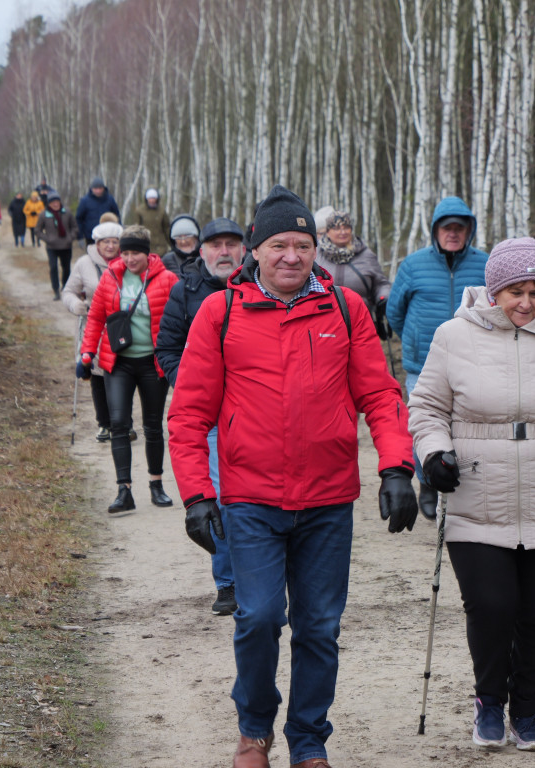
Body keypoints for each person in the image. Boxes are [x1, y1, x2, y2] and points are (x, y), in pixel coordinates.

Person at [167, 185, 419, 768]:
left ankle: (308, 741)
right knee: (256, 618)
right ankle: (255, 730)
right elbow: (189, 413)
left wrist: (396, 466)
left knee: (319, 628)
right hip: (250, 498)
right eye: (278, 244)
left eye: (302, 245)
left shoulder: (345, 309)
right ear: (256, 250)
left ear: (316, 251)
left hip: (327, 501)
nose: (291, 256)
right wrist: (197, 495)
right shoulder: (220, 311)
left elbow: (380, 394)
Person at [408, 237, 535, 752]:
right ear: (494, 290)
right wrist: (434, 455)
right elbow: (427, 407)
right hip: (478, 493)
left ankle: (527, 711)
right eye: (515, 291)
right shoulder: (453, 336)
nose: (526, 302)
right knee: (493, 606)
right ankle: (488, 703)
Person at [156, 217, 246, 617]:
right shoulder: (185, 291)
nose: (223, 252)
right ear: (202, 251)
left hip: (256, 414)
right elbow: (167, 349)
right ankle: (227, 583)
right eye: (215, 245)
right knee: (221, 501)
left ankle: (269, 578)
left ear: (245, 249)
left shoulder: (260, 289)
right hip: (210, 420)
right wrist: (194, 383)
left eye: (231, 244)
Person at [386, 196, 489, 519]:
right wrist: (415, 342)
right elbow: (395, 312)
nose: (453, 233)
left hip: (474, 361)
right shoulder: (413, 265)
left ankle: (464, 488)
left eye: (460, 228)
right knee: (422, 426)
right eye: (447, 228)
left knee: (465, 428)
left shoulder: (485, 264)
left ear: (469, 231)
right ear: (436, 231)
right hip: (422, 365)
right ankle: (428, 481)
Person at [80, 225, 178, 514]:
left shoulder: (168, 279)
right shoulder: (110, 277)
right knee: (119, 424)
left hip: (152, 362)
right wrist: (87, 352)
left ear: (147, 253)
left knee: (152, 425)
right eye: (125, 252)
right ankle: (124, 491)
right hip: (118, 362)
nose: (129, 258)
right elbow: (96, 317)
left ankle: (156, 484)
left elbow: (177, 320)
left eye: (135, 252)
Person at [63, 215, 136, 444]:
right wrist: (77, 305)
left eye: (115, 241)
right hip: (94, 325)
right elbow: (68, 292)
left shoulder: (129, 262)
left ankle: (124, 424)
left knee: (123, 374)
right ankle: (104, 424)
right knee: (96, 375)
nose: (111, 246)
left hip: (123, 325)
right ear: (97, 243)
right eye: (106, 242)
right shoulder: (84, 263)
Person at [314, 209, 392, 338]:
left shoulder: (366, 255)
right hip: (324, 324)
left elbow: (381, 284)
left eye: (346, 227)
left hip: (360, 322)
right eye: (337, 228)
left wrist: (383, 298)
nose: (343, 232)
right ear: (327, 231)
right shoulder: (316, 255)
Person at [35, 192, 78, 300]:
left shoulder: (67, 212)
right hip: (52, 247)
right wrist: (47, 239)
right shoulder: (44, 214)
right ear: (49, 204)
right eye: (53, 202)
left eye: (57, 201)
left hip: (66, 246)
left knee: (66, 268)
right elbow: (37, 230)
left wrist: (70, 238)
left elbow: (75, 227)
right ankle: (56, 290)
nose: (55, 204)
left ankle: (65, 287)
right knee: (53, 268)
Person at [76, 176, 121, 245]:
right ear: (91, 189)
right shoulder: (84, 201)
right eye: (95, 188)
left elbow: (117, 215)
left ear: (103, 188)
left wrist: (120, 230)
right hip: (91, 236)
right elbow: (79, 219)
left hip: (108, 235)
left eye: (100, 188)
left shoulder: (110, 199)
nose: (98, 191)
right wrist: (80, 237)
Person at [161, 214, 201, 278]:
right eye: (178, 237)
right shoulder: (168, 260)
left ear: (196, 237)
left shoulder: (205, 257)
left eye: (187, 236)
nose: (183, 241)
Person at [133, 187, 172, 253]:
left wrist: (172, 243)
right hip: (145, 244)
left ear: (157, 199)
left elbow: (167, 228)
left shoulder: (162, 211)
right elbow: (136, 229)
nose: (152, 200)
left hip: (160, 246)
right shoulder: (139, 211)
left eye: (154, 198)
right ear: (146, 199)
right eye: (150, 198)